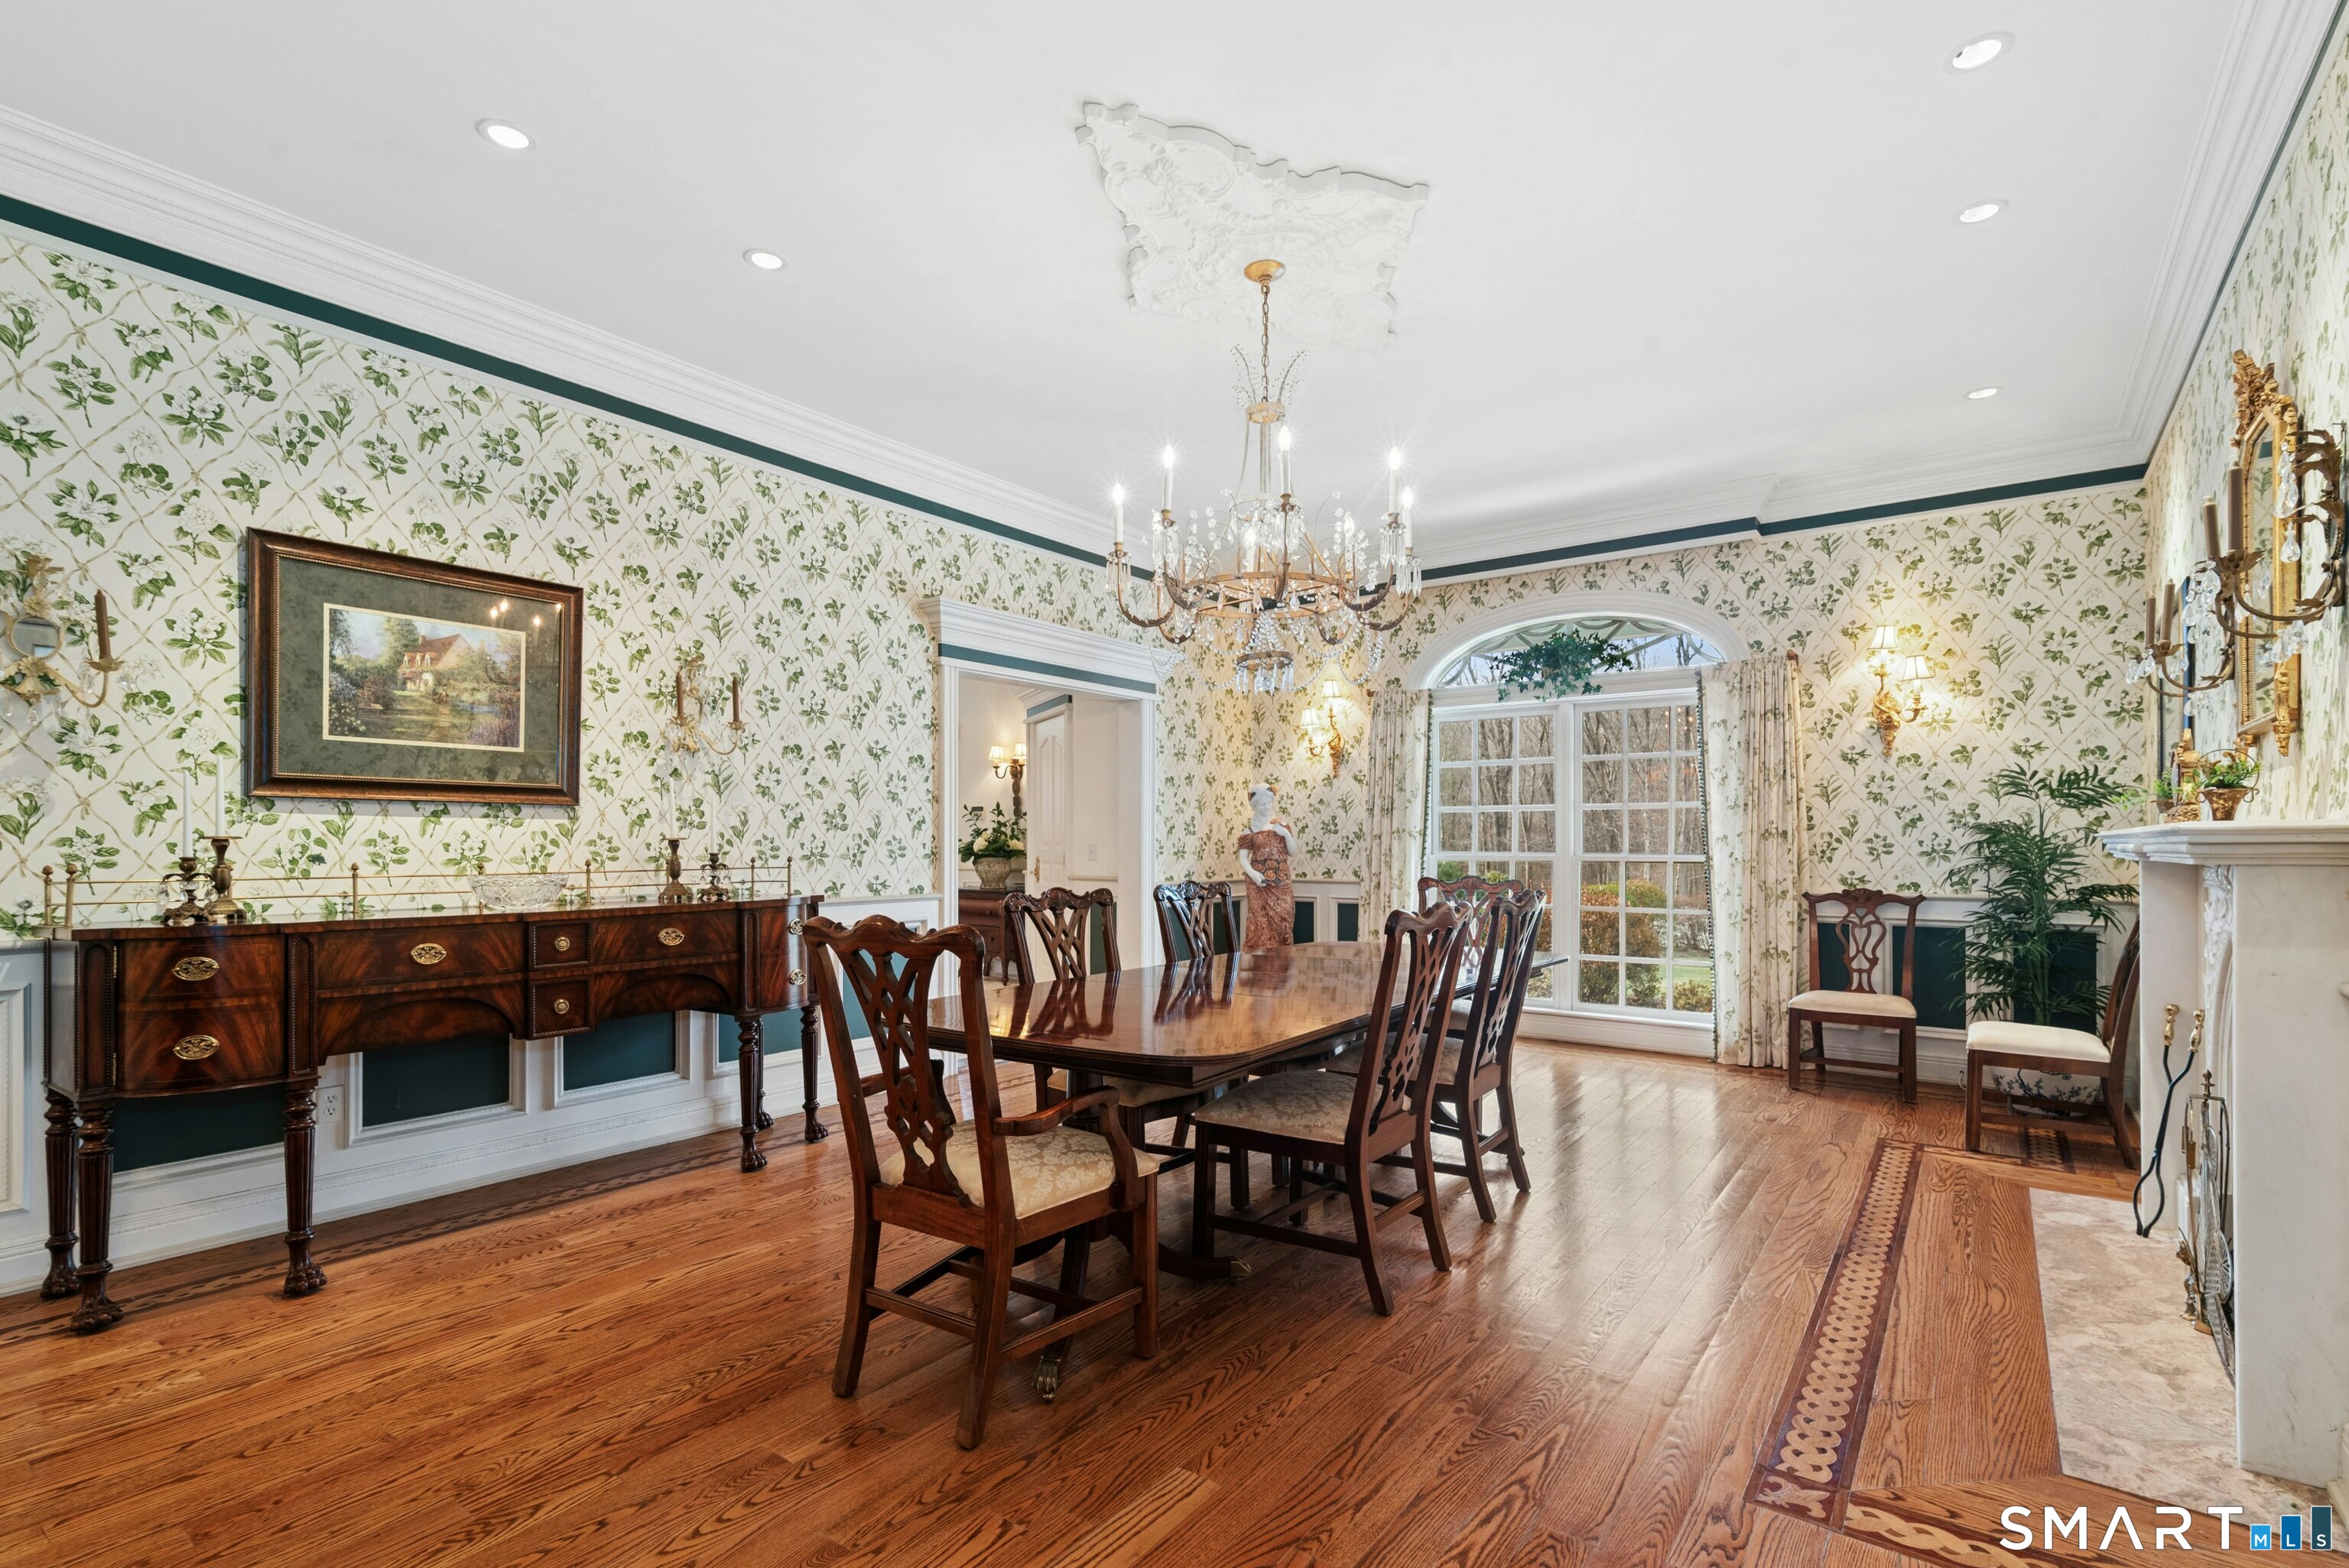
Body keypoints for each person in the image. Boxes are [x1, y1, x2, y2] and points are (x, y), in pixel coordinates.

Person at [1236, 782, 1299, 950]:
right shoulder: (1249, 831)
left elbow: (1293, 852)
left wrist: (1285, 833)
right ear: (1255, 807)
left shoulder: (1282, 826)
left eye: (1269, 803)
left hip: (1282, 883)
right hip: (1258, 882)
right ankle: (1259, 968)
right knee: (1259, 923)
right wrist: (1253, 874)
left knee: (1283, 923)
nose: (1267, 807)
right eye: (1262, 804)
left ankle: (1281, 968)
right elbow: (1243, 858)